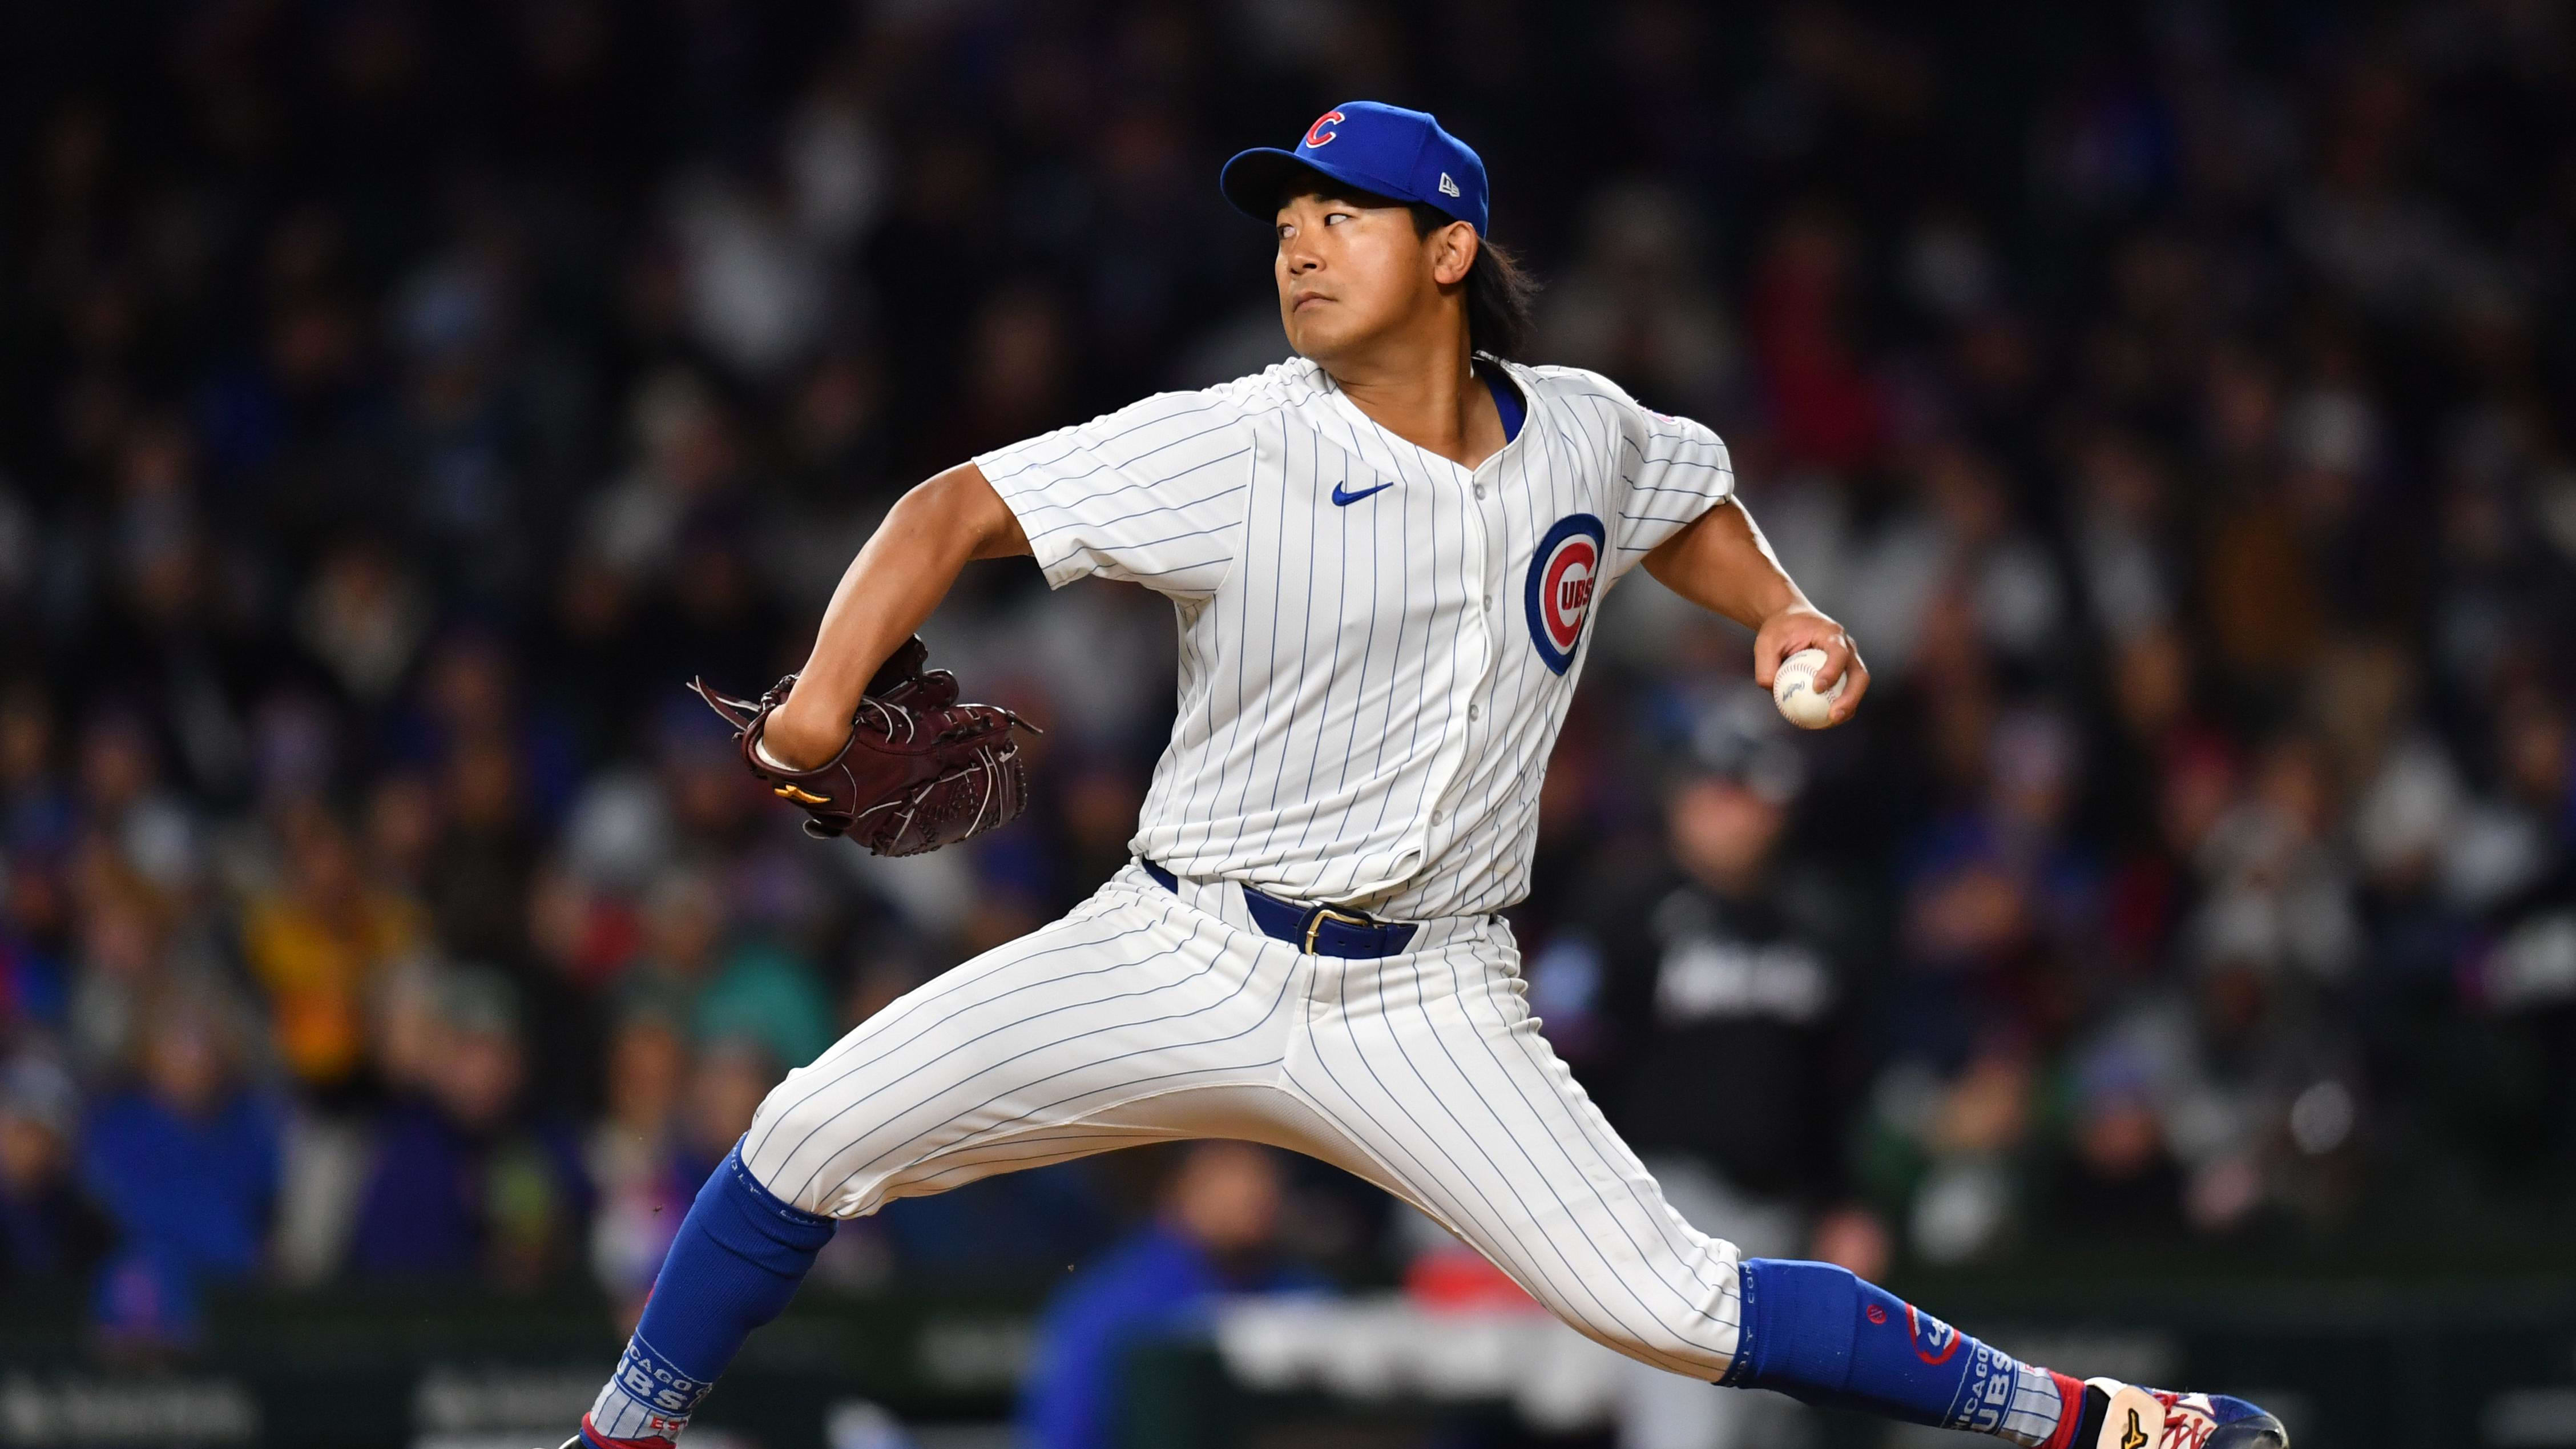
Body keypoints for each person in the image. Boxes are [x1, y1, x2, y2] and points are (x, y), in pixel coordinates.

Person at [561, 103, 2285, 1449]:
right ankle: (621, 1430)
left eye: (1341, 217)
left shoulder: (1586, 427)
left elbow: (1679, 498)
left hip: (1430, 999)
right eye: (1287, 221)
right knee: (802, 1131)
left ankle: (2108, 1421)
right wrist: (815, 710)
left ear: (1449, 250)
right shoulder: (1238, 440)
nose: (1299, 248)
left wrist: (1781, 611)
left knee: (1675, 1310)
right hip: (1181, 947)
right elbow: (948, 507)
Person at [1019, 1142, 1317, 1449]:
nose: (1253, 1193)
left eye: (1263, 1177)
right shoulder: (1112, 1299)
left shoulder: (1301, 1290)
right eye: (1229, 1175)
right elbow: (1062, 1432)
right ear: (1179, 1187)